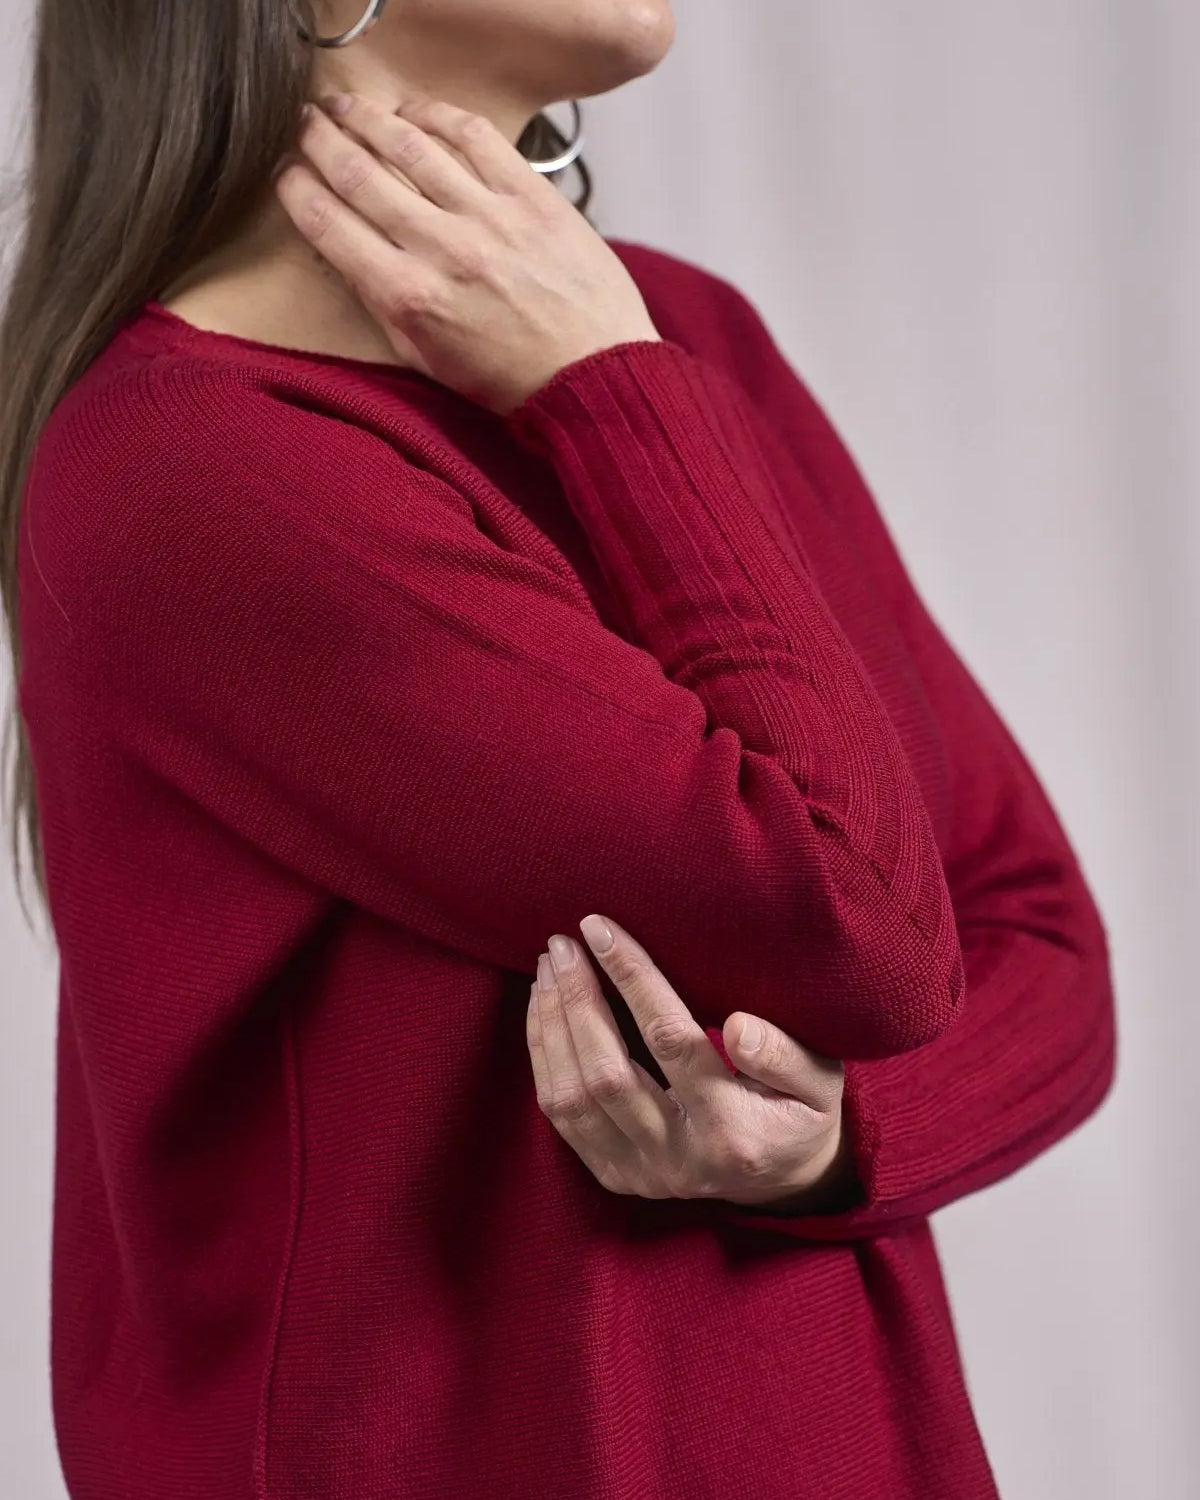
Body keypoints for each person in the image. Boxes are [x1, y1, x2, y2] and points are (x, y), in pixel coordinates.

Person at [0, 2, 1117, 1497]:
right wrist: (607, 396)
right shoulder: (190, 461)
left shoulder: (681, 336)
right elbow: (865, 929)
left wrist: (831, 1145)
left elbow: (1042, 946)